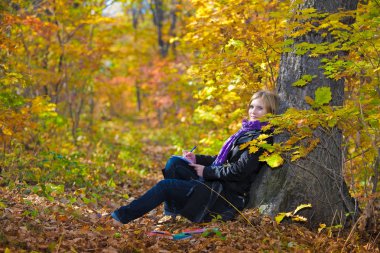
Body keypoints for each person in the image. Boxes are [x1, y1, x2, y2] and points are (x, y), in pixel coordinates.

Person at [111, 90, 279, 224]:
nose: (253, 112)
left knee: (165, 186)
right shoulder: (246, 131)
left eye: (260, 108)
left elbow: (239, 171)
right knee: (175, 162)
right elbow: (223, 158)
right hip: (218, 182)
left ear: (270, 113)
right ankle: (172, 213)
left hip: (225, 196)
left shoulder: (260, 139)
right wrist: (196, 159)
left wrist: (206, 172)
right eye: (252, 106)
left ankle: (121, 217)